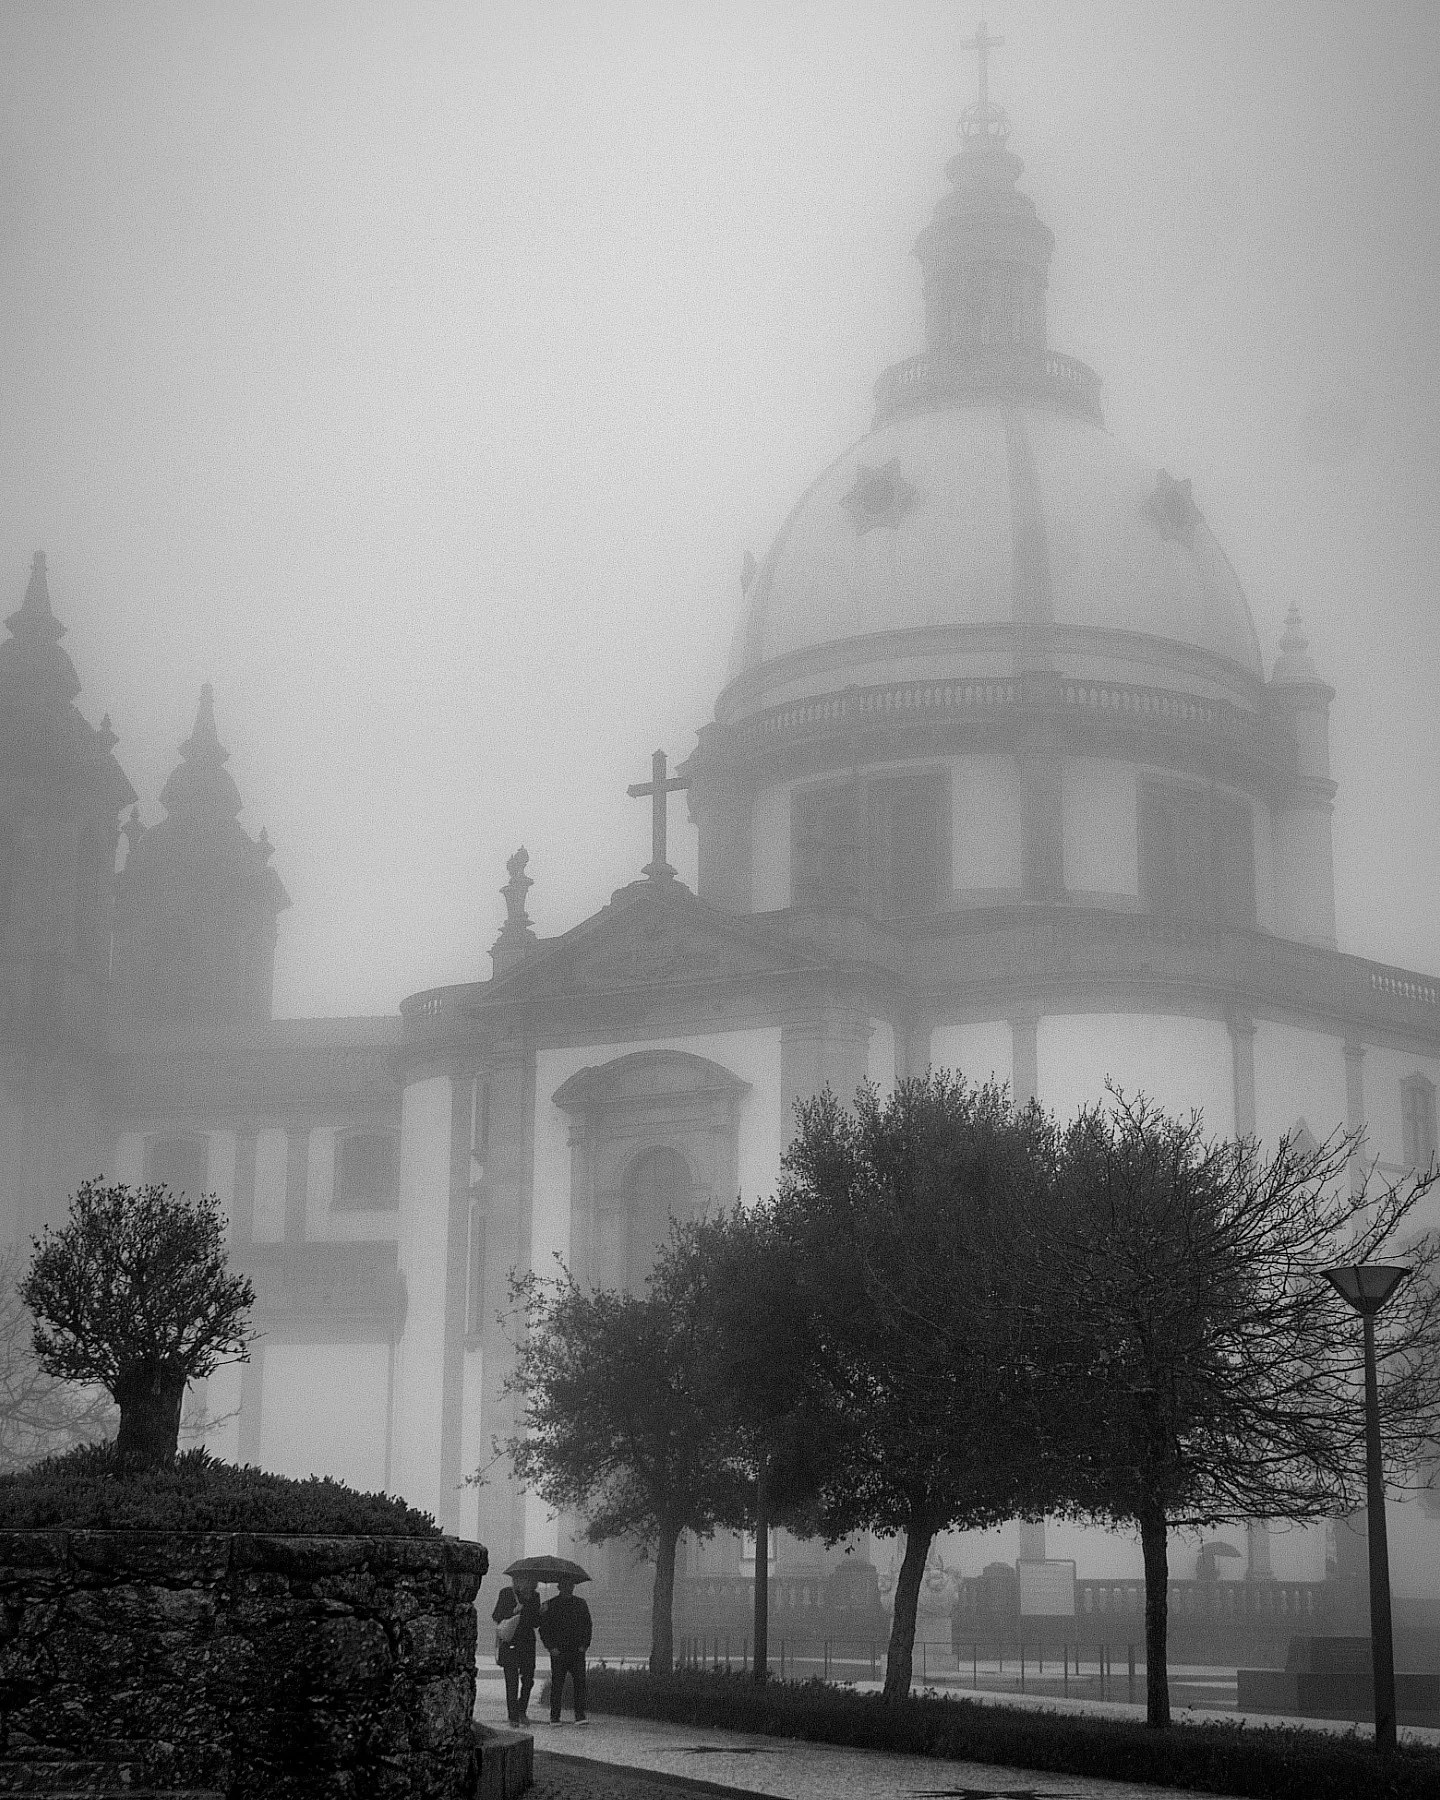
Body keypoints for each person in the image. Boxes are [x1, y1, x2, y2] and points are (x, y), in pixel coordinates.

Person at [537, 1576, 592, 1724]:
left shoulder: (580, 1604)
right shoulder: (551, 1605)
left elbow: (587, 1625)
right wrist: (551, 1647)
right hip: (559, 1650)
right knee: (557, 1684)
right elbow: (544, 1628)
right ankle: (555, 1716)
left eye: (570, 1585)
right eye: (566, 1585)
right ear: (560, 1587)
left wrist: (584, 1645)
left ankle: (580, 1715)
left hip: (576, 1650)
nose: (569, 1587)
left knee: (580, 1683)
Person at [492, 1574, 542, 1726]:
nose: (529, 1583)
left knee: (528, 1680)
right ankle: (513, 1716)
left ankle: (522, 1710)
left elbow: (535, 1623)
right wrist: (513, 1611)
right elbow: (497, 1616)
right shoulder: (506, 1593)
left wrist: (540, 1612)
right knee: (511, 1681)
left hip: (527, 1643)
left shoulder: (534, 1596)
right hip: (511, 1642)